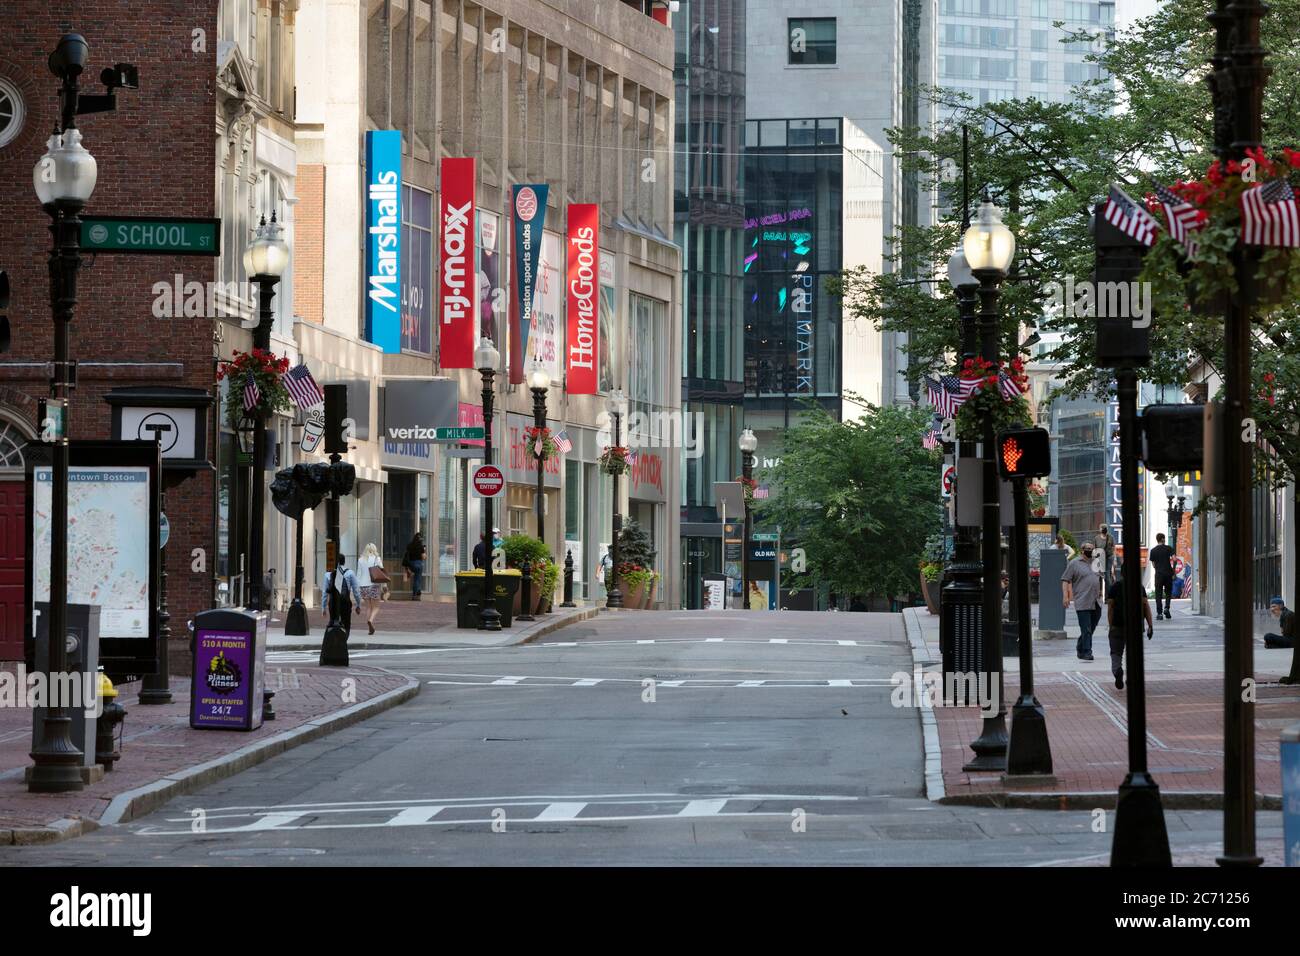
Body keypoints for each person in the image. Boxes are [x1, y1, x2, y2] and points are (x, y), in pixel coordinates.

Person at [1106, 565, 1154, 690]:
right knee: (1133, 654)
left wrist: (1111, 625)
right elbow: (1146, 606)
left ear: (1121, 573)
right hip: (1136, 627)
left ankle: (1117, 671)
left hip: (1118, 625)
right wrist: (1150, 625)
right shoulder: (1139, 587)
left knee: (1116, 653)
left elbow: (1110, 608)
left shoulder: (1115, 587)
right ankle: (1131, 677)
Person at [1062, 541, 1103, 661]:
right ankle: (1087, 652)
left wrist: (1100, 590)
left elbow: (1099, 578)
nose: (1090, 550)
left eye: (1092, 548)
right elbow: (1065, 579)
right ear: (1082, 550)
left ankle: (1080, 646)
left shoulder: (1096, 562)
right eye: (1088, 548)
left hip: (1096, 601)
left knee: (1092, 627)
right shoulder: (1074, 563)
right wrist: (1065, 596)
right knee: (1086, 628)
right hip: (1082, 601)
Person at [322, 556, 362, 637]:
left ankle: (334, 640)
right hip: (345, 601)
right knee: (346, 621)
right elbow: (356, 591)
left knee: (333, 621)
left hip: (333, 601)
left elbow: (325, 592)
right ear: (344, 562)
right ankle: (344, 639)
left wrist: (323, 607)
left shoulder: (328, 573)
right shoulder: (350, 573)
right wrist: (358, 605)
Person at [356, 543, 384, 636]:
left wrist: (357, 587)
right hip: (374, 585)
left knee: (368, 607)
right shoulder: (377, 558)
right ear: (374, 549)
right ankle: (371, 620)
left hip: (363, 586)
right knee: (376, 607)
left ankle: (369, 628)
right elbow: (382, 571)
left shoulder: (360, 560)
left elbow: (358, 574)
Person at [1147, 533, 1175, 620]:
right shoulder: (1169, 548)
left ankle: (1159, 614)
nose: (1165, 539)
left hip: (1159, 575)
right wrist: (1173, 569)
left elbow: (1153, 564)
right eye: (1164, 538)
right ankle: (1167, 608)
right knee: (1168, 592)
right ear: (1162, 539)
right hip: (1168, 574)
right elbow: (1174, 559)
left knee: (1158, 594)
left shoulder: (1153, 550)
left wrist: (1158, 568)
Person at [402, 533, 426, 600]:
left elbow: (407, 554)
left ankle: (415, 593)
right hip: (418, 563)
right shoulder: (421, 546)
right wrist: (424, 550)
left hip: (411, 564)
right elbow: (423, 557)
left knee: (415, 578)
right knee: (417, 579)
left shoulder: (409, 545)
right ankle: (416, 593)